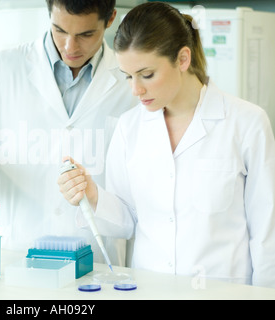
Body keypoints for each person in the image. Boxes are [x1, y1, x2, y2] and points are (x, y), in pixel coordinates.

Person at [58, 2, 275, 288]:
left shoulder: (246, 123)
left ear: (183, 59)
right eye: (128, 77)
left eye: (146, 75)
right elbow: (128, 222)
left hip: (223, 292)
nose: (136, 90)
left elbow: (267, 234)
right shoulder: (128, 127)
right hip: (150, 289)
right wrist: (92, 193)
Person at [0, 0, 137, 266]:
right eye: (60, 30)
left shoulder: (132, 82)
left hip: (96, 260)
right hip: (16, 252)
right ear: (49, 14)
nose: (70, 47)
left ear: (110, 19)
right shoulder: (1, 68)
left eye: (85, 34)